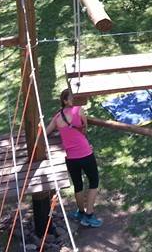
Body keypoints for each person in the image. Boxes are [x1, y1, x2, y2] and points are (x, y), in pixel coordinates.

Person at [46, 89, 102, 228]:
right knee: (94, 181)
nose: (75, 100)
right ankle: (89, 215)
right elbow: (84, 129)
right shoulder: (78, 110)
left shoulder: (57, 117)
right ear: (65, 100)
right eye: (72, 98)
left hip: (70, 157)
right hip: (85, 153)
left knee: (78, 185)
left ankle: (81, 212)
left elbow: (46, 133)